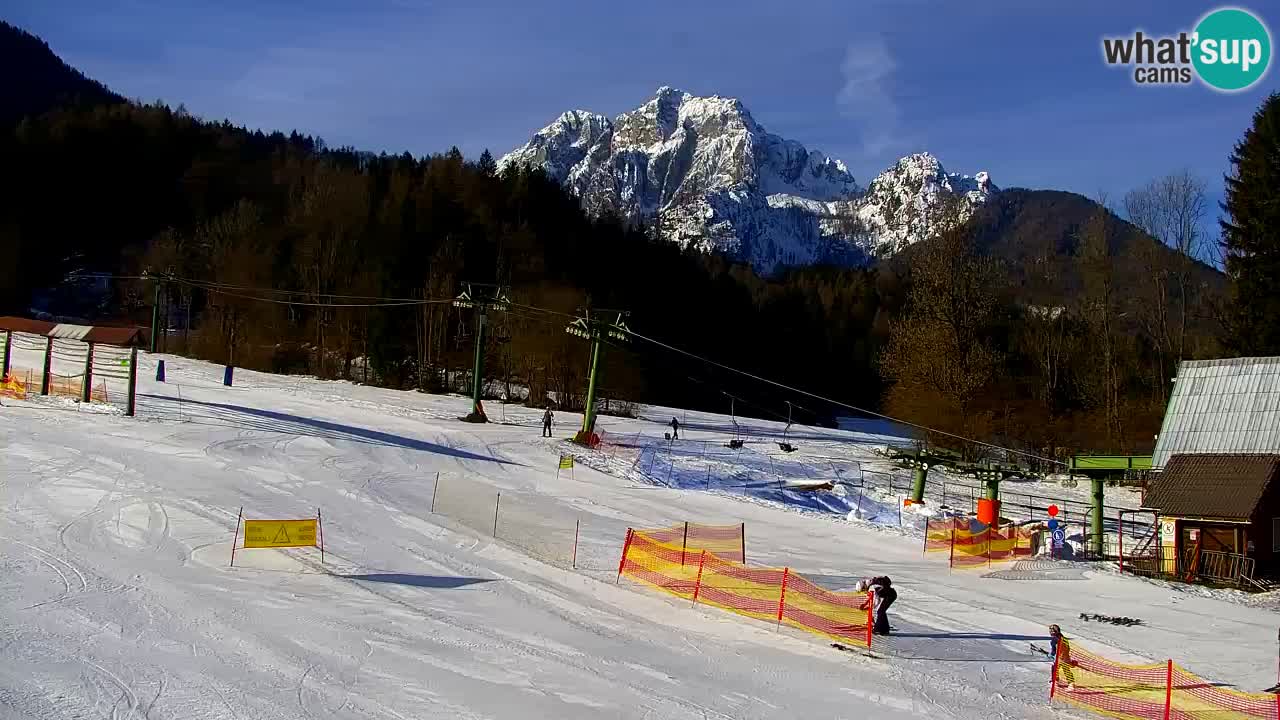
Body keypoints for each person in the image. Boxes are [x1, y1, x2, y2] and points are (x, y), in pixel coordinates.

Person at [1049, 624, 1076, 691]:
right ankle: (1071, 684)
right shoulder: (1063, 638)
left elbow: (1053, 651)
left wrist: (1051, 655)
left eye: (1052, 631)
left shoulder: (1054, 640)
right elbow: (1068, 648)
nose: (1051, 633)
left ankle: (1055, 681)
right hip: (1065, 657)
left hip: (1060, 658)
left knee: (1055, 669)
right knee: (1066, 670)